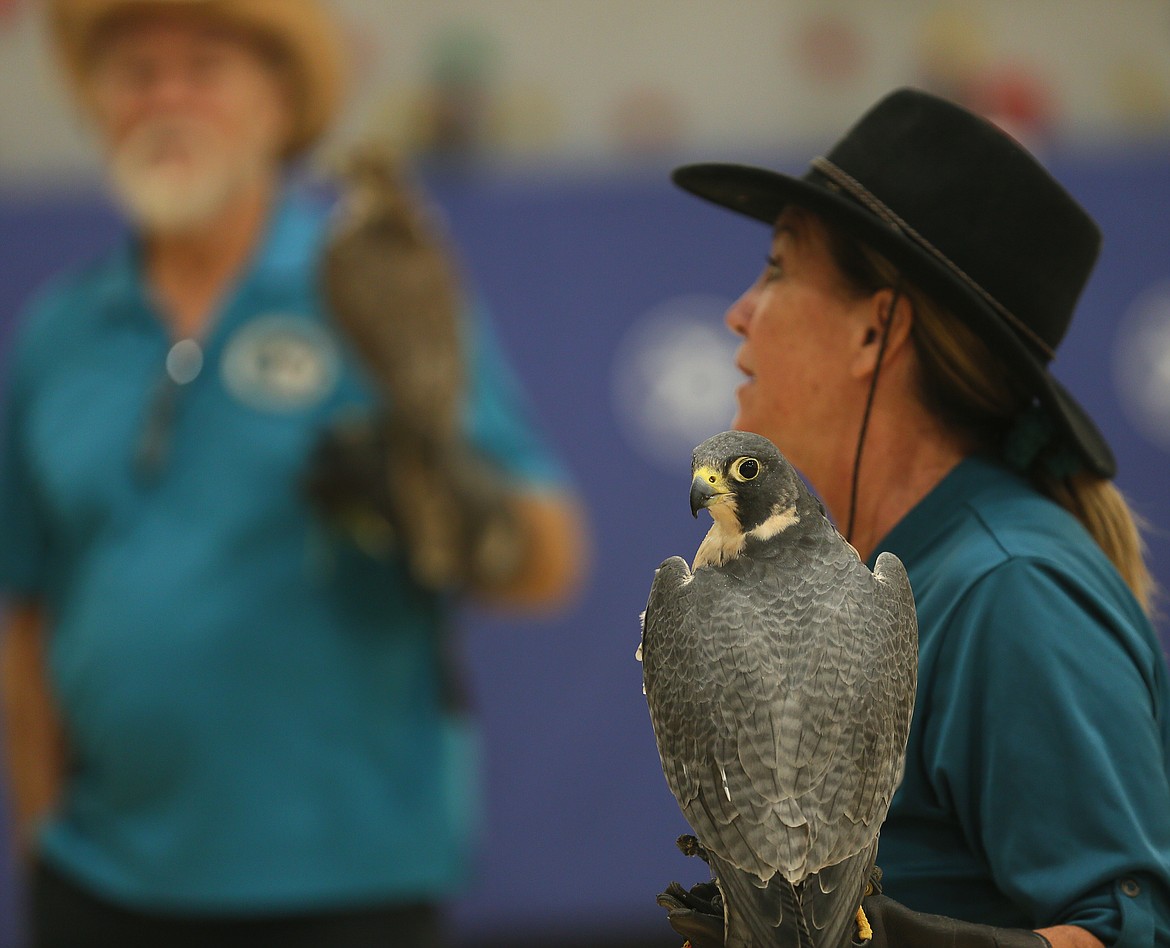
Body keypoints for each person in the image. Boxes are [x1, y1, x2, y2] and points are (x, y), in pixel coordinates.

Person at [0, 2, 586, 946]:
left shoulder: (360, 277)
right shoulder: (58, 331)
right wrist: (41, 842)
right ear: (98, 105)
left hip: (341, 886)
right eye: (137, 72)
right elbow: (26, 611)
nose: (167, 97)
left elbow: (550, 556)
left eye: (203, 67)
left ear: (282, 105)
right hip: (98, 879)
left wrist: (448, 505)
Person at [659, 88, 1170, 946]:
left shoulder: (1011, 590)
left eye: (779, 267)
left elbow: (1133, 934)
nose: (739, 311)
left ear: (876, 332)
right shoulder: (887, 572)